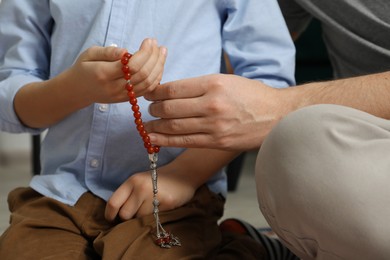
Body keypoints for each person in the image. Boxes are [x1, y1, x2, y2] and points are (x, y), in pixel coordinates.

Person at [0, 0, 296, 259]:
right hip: (62, 194)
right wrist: (73, 89)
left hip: (175, 195)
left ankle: (249, 248)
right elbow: (10, 95)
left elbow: (269, 90)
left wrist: (183, 175)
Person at [143, 1, 390, 259]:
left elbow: (271, 87)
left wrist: (285, 104)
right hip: (360, 146)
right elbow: (252, 58)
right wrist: (183, 170)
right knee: (301, 150)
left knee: (296, 139)